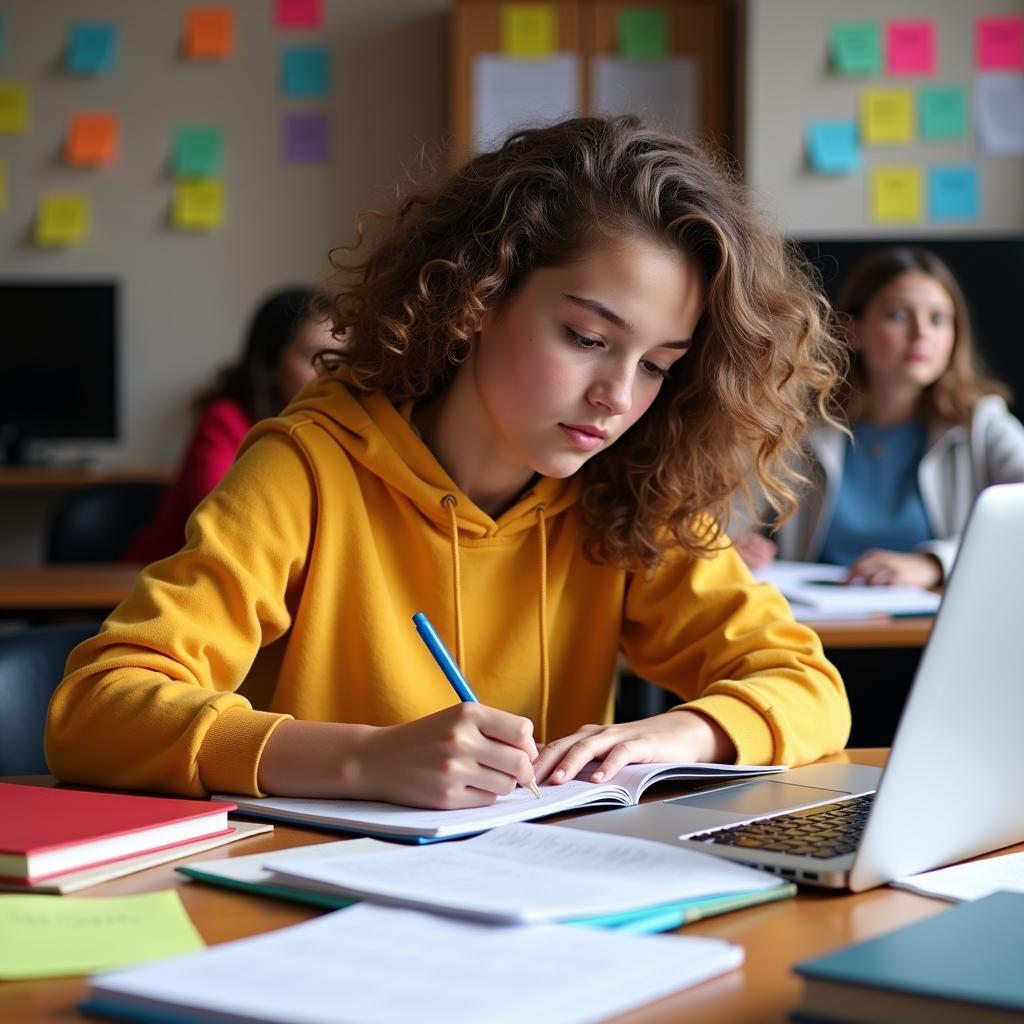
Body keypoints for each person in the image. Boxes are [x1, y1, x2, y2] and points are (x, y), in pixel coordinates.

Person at [47, 116, 851, 809]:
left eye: (656, 364)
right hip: (302, 911)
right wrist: (362, 759)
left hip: (532, 912)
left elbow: (810, 689)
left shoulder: (628, 489)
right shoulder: (310, 466)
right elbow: (97, 710)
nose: (617, 395)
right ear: (479, 296)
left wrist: (688, 732)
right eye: (587, 338)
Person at [734, 246, 1024, 587]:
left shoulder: (983, 423)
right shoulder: (798, 423)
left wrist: (934, 563)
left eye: (938, 319)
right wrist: (734, 548)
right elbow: (730, 514)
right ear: (853, 331)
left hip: (932, 629)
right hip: (819, 626)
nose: (922, 335)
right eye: (898, 316)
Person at [125, 287, 337, 564]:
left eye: (339, 357)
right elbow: (228, 524)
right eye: (313, 356)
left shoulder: (329, 430)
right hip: (171, 582)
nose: (330, 371)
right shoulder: (224, 420)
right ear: (271, 365)